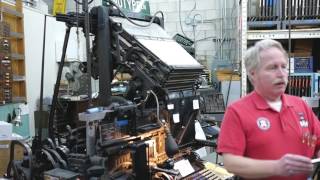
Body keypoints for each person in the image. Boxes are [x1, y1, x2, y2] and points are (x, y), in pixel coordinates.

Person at [217, 39, 320, 180]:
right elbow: (231, 163)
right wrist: (277, 167)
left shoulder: (300, 106)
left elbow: (317, 142)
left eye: (284, 67)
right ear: (253, 74)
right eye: (272, 67)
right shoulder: (237, 111)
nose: (281, 73)